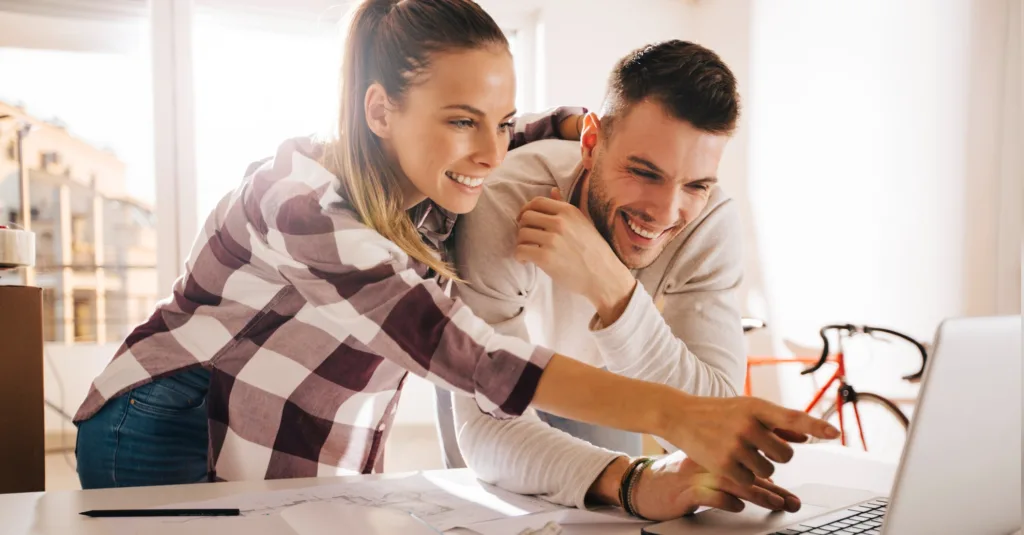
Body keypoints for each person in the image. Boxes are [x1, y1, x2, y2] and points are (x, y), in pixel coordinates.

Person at [73, 0, 836, 492]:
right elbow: (475, 359)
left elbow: (537, 131)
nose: (490, 152)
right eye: (462, 120)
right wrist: (676, 411)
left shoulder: (433, 185)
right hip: (160, 420)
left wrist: (580, 134)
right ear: (380, 109)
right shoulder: (305, 204)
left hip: (302, 431)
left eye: (500, 123)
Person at [435, 40, 784, 520]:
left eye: (696, 185)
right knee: (486, 517)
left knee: (606, 521)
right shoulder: (502, 200)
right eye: (644, 172)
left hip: (606, 382)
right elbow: (488, 429)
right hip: (501, 377)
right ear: (591, 143)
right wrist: (635, 482)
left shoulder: (709, 223)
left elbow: (715, 424)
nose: (665, 213)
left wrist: (612, 288)